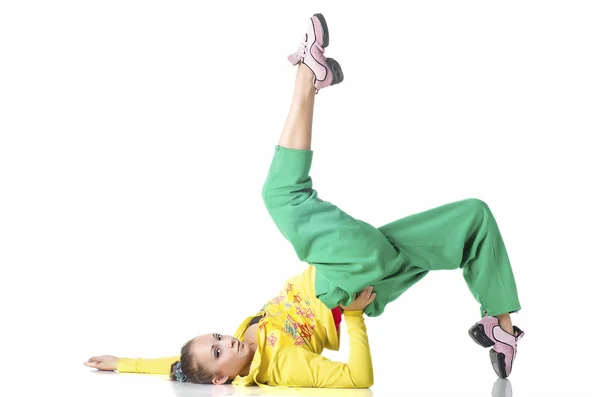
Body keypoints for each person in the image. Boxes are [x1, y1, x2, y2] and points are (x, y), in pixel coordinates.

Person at [84, 13, 524, 388]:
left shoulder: (223, 353)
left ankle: (502, 330)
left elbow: (181, 366)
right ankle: (308, 75)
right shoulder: (278, 366)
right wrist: (352, 317)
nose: (227, 342)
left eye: (216, 337)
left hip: (358, 272)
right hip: (342, 285)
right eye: (220, 352)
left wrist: (124, 363)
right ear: (224, 380)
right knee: (281, 194)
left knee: (474, 218)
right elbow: (357, 380)